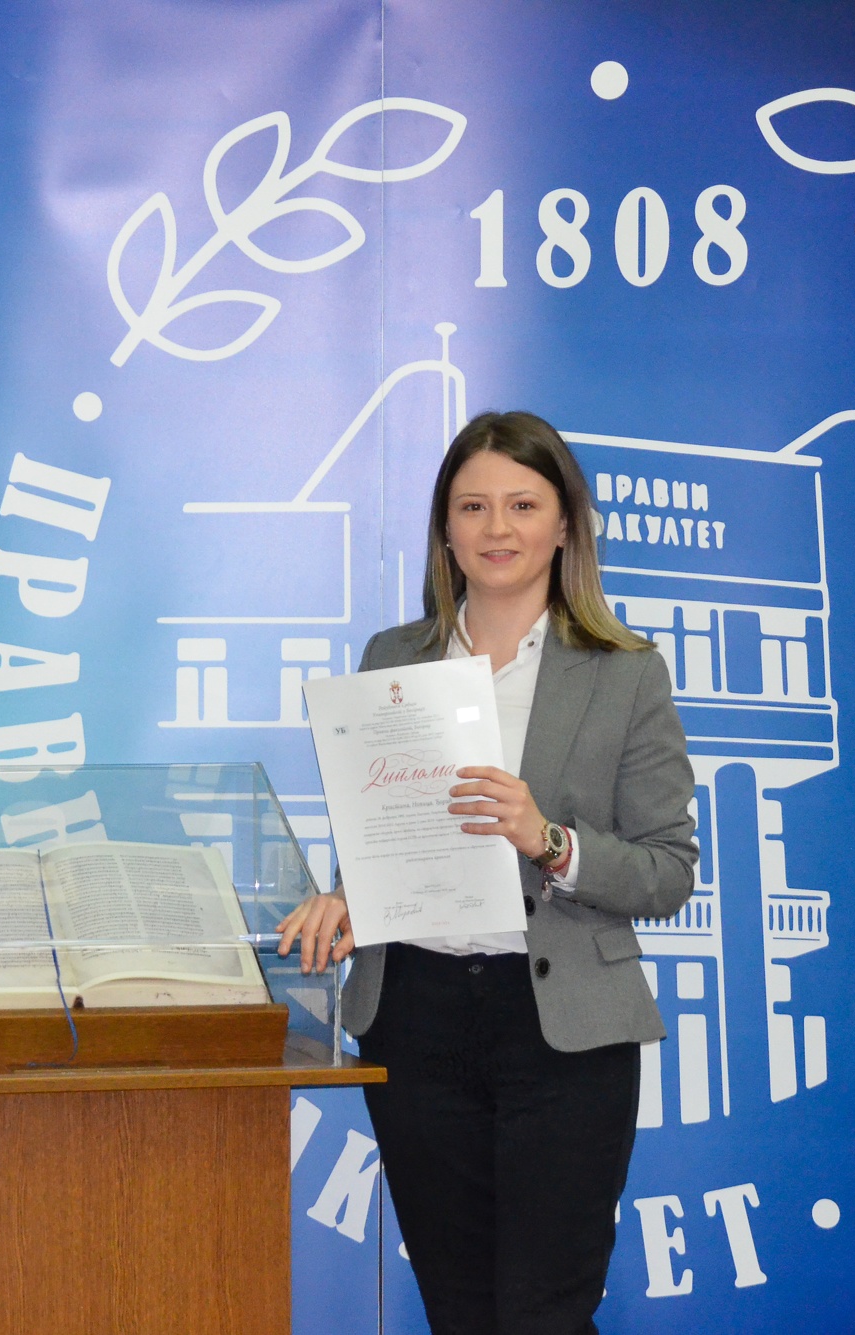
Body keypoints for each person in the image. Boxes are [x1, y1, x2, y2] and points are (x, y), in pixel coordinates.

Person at [279, 410, 697, 1335]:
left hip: (562, 1028)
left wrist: (549, 839)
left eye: (522, 504)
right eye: (473, 506)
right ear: (445, 528)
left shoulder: (625, 672)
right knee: (460, 1310)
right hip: (415, 1014)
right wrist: (348, 898)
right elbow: (379, 840)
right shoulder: (393, 658)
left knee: (545, 1314)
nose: (497, 527)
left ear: (565, 524)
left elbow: (669, 870)